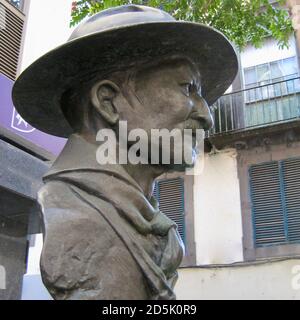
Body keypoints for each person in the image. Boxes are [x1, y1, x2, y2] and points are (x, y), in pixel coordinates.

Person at [12, 5, 238, 300]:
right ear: (109, 102)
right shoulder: (74, 218)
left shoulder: (142, 218)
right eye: (188, 88)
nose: (206, 115)